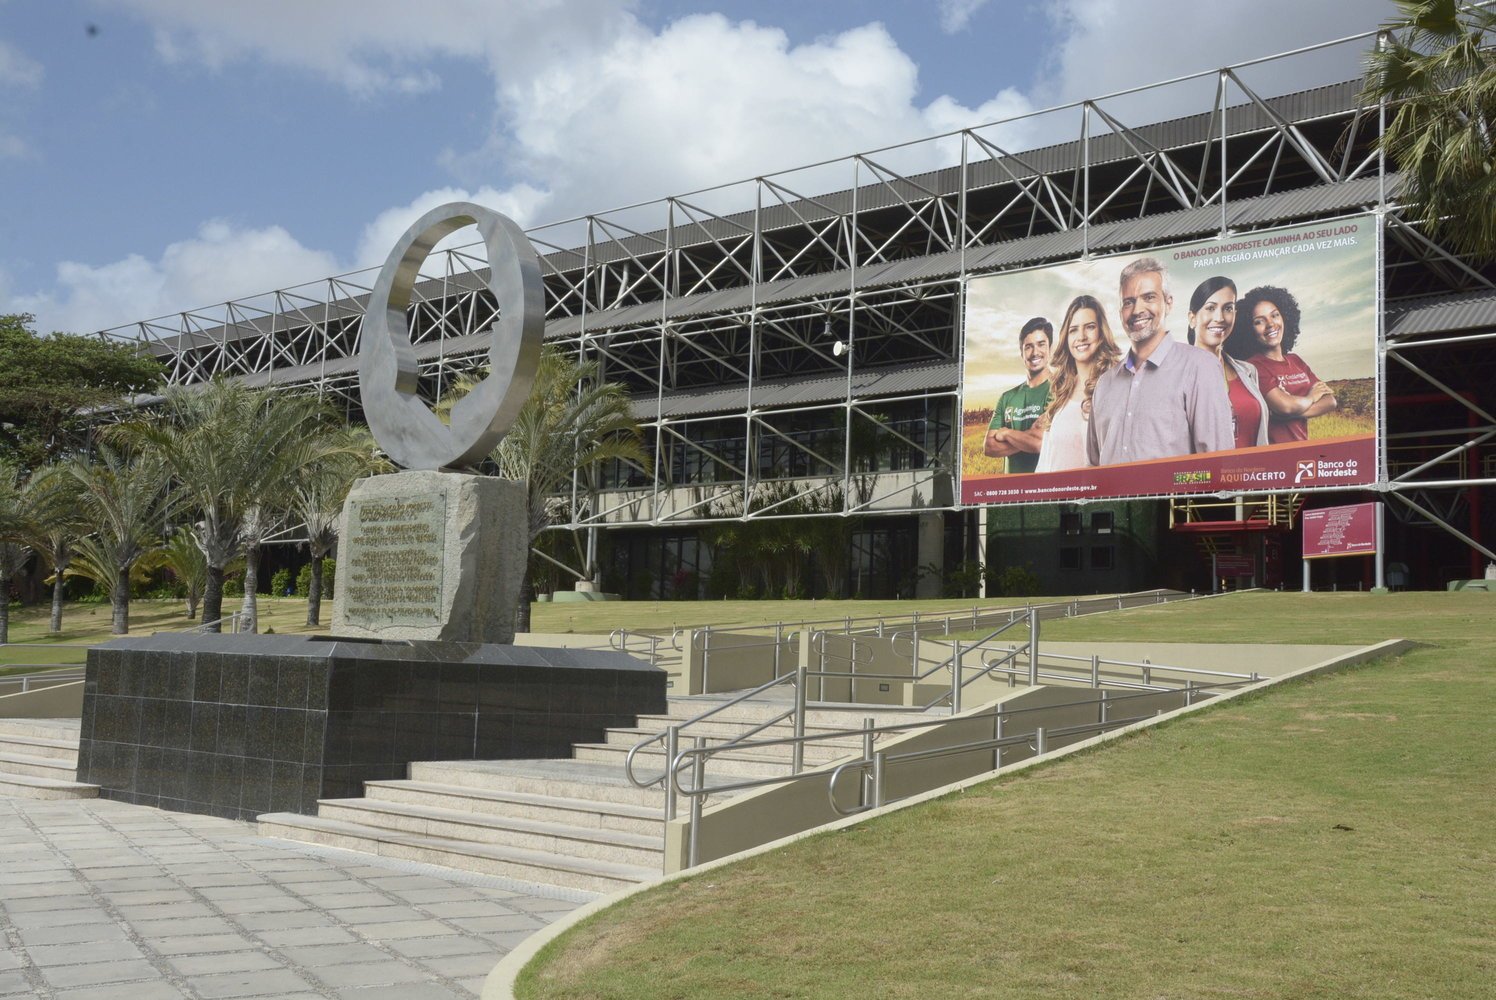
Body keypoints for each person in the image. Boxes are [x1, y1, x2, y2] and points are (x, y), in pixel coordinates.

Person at [1087, 257, 1233, 466]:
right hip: (1110, 500)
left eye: (1148, 297)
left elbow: (1219, 463)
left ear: (1168, 302)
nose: (1137, 310)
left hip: (1176, 500)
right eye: (1129, 302)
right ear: (1121, 313)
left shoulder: (1200, 367)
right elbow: (1093, 465)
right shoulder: (1104, 384)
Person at [1227, 285, 1336, 444]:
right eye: (1259, 321)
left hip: (1302, 448)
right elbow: (1284, 406)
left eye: (1275, 315)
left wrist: (1293, 410)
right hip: (1275, 454)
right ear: (1249, 329)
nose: (1270, 324)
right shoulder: (1253, 367)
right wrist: (1311, 396)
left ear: (1285, 317)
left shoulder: (1295, 360)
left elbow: (1330, 401)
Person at [1034, 295, 1121, 472]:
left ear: (1101, 333)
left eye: (1089, 327)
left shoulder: (1117, 386)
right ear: (1066, 337)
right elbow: (1045, 462)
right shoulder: (1061, 392)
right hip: (1056, 497)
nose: (1081, 336)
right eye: (1073, 330)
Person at [1187, 276, 1268, 449]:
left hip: (1255, 473)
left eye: (1228, 308)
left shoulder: (1248, 371)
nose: (1220, 317)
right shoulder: (1176, 375)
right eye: (1210, 308)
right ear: (1192, 318)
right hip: (1208, 475)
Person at [983, 317, 1052, 473]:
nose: (1035, 352)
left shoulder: (1060, 390)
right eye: (1028, 347)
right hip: (1011, 491)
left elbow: (1039, 443)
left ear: (1050, 348)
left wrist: (1006, 433)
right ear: (1021, 352)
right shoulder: (1007, 397)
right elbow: (989, 447)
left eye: (1041, 344)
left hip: (1048, 488)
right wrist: (1027, 438)